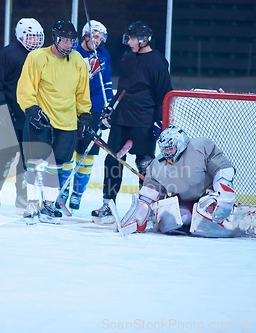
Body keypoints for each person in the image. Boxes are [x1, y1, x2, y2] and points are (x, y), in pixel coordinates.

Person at [91, 21, 173, 224]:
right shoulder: (128, 57)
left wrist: (160, 121)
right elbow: (123, 89)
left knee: (144, 164)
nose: (129, 42)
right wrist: (110, 110)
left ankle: (147, 207)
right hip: (122, 118)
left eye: (133, 38)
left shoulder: (157, 62)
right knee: (112, 160)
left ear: (144, 40)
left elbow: (165, 94)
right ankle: (108, 204)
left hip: (143, 120)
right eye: (129, 38)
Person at [117, 126, 256, 237]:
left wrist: (224, 194)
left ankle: (239, 221)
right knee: (172, 218)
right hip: (185, 202)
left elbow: (223, 170)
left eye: (170, 148)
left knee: (204, 211)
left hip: (209, 198)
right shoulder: (157, 165)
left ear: (181, 143)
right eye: (164, 149)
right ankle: (197, 222)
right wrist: (136, 218)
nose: (167, 153)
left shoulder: (200, 146)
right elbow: (147, 198)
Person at [17, 21, 92, 224]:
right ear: (56, 38)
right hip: (41, 121)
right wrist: (31, 109)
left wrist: (84, 115)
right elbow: (25, 87)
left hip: (67, 123)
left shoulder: (78, 60)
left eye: (71, 41)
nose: (68, 45)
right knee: (34, 164)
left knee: (56, 166)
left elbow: (82, 92)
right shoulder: (37, 57)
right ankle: (32, 204)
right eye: (65, 40)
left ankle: (48, 205)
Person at [0, 18, 44, 213]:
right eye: (31, 36)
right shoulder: (9, 53)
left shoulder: (40, 56)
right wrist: (1, 108)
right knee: (7, 153)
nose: (35, 40)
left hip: (29, 115)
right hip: (8, 113)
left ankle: (23, 195)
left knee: (28, 157)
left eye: (37, 36)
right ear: (20, 36)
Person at [57, 20, 114, 211]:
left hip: (95, 109)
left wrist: (109, 106)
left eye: (100, 38)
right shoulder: (73, 53)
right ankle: (63, 190)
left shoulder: (104, 55)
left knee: (87, 154)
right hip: (72, 108)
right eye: (94, 36)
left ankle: (77, 193)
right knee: (68, 151)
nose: (97, 41)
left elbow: (106, 82)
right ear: (86, 36)